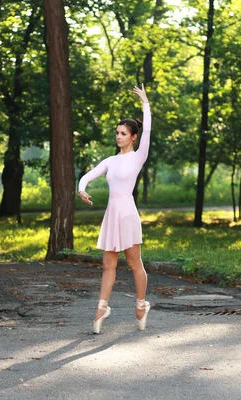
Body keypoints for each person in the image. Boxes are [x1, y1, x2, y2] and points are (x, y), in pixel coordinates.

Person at [78, 84, 151, 334]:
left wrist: (145, 103)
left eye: (123, 133)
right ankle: (101, 308)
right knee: (108, 265)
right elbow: (87, 176)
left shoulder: (139, 156)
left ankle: (141, 305)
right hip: (112, 216)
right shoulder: (110, 161)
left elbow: (148, 129)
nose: (118, 136)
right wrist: (81, 188)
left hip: (128, 214)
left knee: (134, 264)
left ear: (133, 137)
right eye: (117, 132)